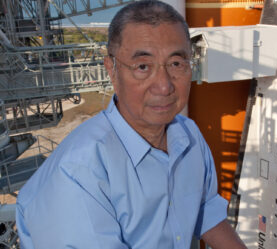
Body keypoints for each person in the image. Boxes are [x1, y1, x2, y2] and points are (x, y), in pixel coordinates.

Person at [16, 1, 247, 248]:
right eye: (143, 67)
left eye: (176, 64)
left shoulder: (188, 135)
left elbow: (205, 210)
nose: (164, 86)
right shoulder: (79, 172)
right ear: (112, 70)